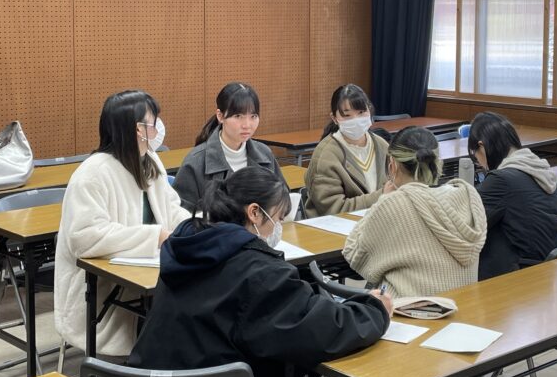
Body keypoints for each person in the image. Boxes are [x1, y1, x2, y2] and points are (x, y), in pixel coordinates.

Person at [130, 167, 392, 377]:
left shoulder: (185, 248)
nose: (279, 227)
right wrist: (375, 309)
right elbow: (321, 330)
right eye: (278, 218)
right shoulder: (259, 273)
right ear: (255, 213)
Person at [54, 90, 190, 358]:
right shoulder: (92, 174)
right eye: (152, 122)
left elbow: (172, 208)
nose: (157, 128)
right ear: (135, 129)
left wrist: (192, 230)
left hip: (150, 270)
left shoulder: (149, 160)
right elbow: (85, 238)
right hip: (102, 287)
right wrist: (155, 237)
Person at [343, 126, 487, 297]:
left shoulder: (393, 204)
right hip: (463, 305)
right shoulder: (468, 195)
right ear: (437, 163)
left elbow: (353, 253)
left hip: (407, 307)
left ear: (393, 165)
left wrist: (382, 199)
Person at [468, 112, 557, 280]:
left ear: (482, 147)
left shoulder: (502, 179)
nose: (478, 163)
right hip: (546, 268)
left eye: (475, 155)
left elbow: (468, 221)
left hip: (517, 272)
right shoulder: (541, 170)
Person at [173, 82, 286, 215]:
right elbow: (181, 217)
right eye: (238, 116)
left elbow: (283, 200)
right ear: (220, 116)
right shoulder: (195, 162)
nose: (247, 125)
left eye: (253, 117)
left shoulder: (264, 154)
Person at [305, 83, 390, 217]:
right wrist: (382, 195)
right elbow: (334, 209)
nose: (356, 120)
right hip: (339, 225)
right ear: (334, 118)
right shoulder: (326, 155)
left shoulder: (382, 146)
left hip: (380, 220)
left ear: (369, 110)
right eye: (347, 115)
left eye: (361, 113)